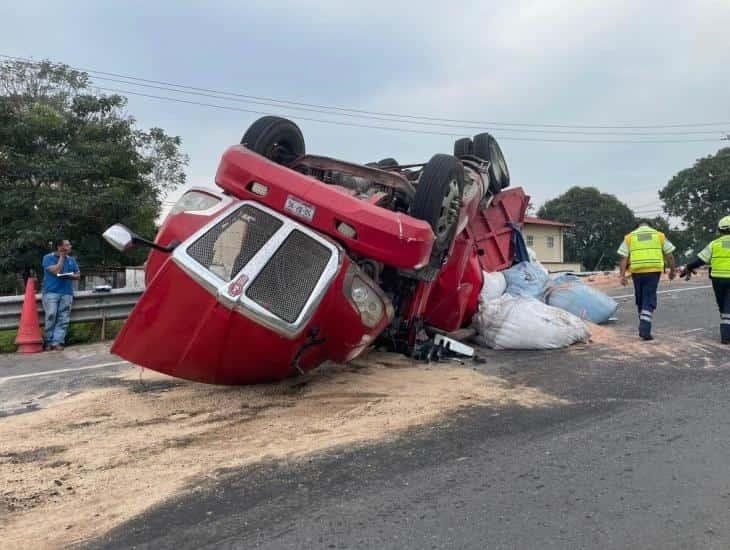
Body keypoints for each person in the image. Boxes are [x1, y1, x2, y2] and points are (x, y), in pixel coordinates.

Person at [617, 221, 676, 340]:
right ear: (650, 226)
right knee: (649, 298)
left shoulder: (630, 237)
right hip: (653, 272)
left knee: (640, 298)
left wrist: (622, 276)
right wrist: (672, 270)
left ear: (637, 227)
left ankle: (643, 322)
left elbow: (624, 257)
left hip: (637, 272)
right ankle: (645, 327)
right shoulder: (659, 235)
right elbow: (669, 255)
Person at [679, 215, 730, 344]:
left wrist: (688, 267)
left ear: (720, 230)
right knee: (728, 307)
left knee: (723, 306)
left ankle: (726, 331)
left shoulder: (714, 244)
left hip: (718, 280)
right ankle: (726, 335)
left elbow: (700, 260)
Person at [42, 239, 80, 351]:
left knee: (63, 318)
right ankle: (48, 341)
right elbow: (55, 270)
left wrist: (68, 276)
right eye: (67, 245)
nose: (70, 246)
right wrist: (62, 257)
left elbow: (78, 275)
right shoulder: (48, 258)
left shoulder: (71, 260)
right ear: (59, 247)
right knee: (51, 315)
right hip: (51, 292)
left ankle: (57, 342)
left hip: (66, 293)